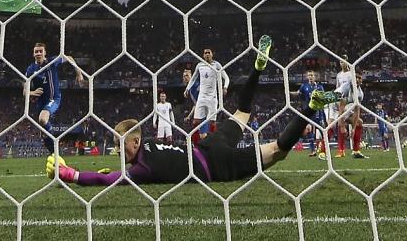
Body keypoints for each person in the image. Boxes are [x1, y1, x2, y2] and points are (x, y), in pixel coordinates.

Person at [46, 35, 342, 185]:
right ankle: (256, 68)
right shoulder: (147, 146)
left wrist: (70, 174)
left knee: (278, 150)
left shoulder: (142, 168)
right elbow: (115, 172)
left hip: (215, 164)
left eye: (119, 145)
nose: (117, 151)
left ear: (135, 141)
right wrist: (116, 167)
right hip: (206, 145)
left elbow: (104, 181)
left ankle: (310, 107)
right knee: (242, 113)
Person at [25, 42, 84, 154]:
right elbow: (25, 91)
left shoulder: (51, 62)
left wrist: (79, 73)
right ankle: (54, 153)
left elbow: (69, 58)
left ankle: (55, 145)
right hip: (40, 102)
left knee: (42, 119)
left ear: (45, 52)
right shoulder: (30, 69)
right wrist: (32, 92)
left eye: (40, 51)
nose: (38, 53)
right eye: (36, 51)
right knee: (44, 131)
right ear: (33, 54)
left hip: (53, 98)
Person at [184, 48, 230, 136]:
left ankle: (212, 140)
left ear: (212, 54)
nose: (207, 54)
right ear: (203, 55)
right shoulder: (199, 65)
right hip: (201, 97)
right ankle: (197, 141)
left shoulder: (217, 65)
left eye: (209, 53)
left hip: (212, 97)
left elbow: (226, 78)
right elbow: (193, 78)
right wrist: (187, 89)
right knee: (196, 121)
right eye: (205, 53)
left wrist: (225, 87)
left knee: (212, 122)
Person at [290, 70, 326, 158]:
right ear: (307, 77)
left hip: (318, 112)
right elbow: (298, 93)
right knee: (309, 129)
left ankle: (324, 150)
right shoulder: (304, 86)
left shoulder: (319, 87)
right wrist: (289, 93)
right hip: (308, 112)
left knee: (322, 130)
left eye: (312, 75)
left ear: (315, 77)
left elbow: (323, 99)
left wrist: (322, 115)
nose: (310, 77)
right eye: (309, 75)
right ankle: (313, 150)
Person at [325, 56, 353, 158]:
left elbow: (353, 89)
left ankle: (342, 150)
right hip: (339, 101)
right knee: (332, 124)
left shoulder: (351, 74)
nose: (342, 63)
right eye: (340, 61)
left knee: (342, 124)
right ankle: (324, 149)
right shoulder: (339, 75)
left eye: (344, 61)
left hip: (348, 102)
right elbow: (337, 88)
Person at [336, 72, 367, 159]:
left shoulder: (360, 93)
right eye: (356, 77)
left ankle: (356, 150)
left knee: (359, 122)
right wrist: (342, 126)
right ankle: (340, 151)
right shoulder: (346, 88)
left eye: (359, 78)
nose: (357, 80)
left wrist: (353, 129)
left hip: (346, 108)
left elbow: (357, 111)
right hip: (334, 106)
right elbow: (340, 107)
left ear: (362, 81)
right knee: (339, 125)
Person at [182, 69, 209, 144]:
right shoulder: (190, 89)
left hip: (204, 111)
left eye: (187, 75)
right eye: (184, 76)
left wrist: (189, 116)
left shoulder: (195, 86)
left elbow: (198, 102)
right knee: (197, 135)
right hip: (199, 112)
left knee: (203, 136)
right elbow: (196, 103)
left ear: (192, 77)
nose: (185, 77)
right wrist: (189, 116)